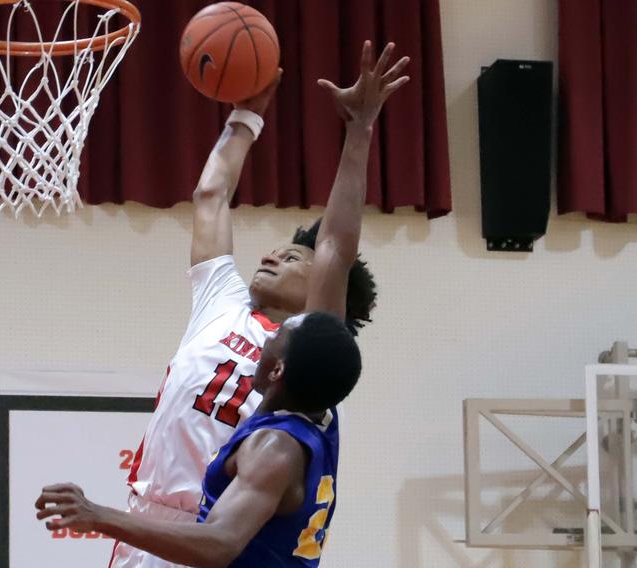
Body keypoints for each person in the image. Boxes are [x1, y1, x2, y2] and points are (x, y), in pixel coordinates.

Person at [113, 41, 409, 567]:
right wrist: (246, 116)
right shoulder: (221, 299)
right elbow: (211, 195)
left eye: (295, 257)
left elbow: (337, 246)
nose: (272, 255)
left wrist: (358, 130)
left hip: (216, 529)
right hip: (146, 519)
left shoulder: (306, 343)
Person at [36, 311, 361, 567]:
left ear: (277, 370)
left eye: (276, 336)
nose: (266, 338)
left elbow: (219, 542)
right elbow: (334, 245)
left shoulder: (274, 448)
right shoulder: (323, 418)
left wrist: (98, 515)